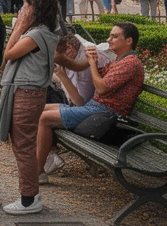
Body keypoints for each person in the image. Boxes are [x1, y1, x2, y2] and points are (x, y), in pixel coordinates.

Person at [36, 23, 146, 173]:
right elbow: (96, 76)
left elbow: (101, 88)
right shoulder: (119, 61)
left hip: (105, 114)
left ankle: (37, 172)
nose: (109, 39)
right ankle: (48, 157)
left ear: (129, 41)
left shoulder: (131, 63)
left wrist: (92, 63)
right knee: (38, 110)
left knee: (45, 118)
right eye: (110, 35)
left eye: (114, 36)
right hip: (94, 109)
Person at [0, 0, 60, 216]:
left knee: (23, 146)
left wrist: (20, 25)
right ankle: (29, 195)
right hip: (27, 91)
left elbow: (9, 54)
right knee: (22, 145)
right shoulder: (42, 32)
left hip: (26, 92)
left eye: (26, 5)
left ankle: (29, 198)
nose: (22, 9)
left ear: (36, 9)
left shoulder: (36, 35)